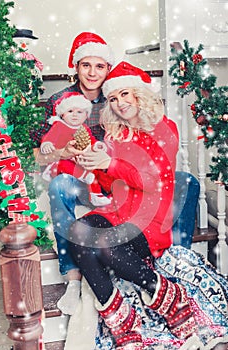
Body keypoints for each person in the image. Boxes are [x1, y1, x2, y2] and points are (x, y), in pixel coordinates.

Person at [64, 61, 228, 349]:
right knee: (78, 232)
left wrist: (111, 163)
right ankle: (119, 317)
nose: (119, 103)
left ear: (140, 93)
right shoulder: (117, 133)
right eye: (113, 98)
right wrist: (93, 165)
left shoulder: (164, 129)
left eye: (125, 94)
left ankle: (162, 293)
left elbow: (156, 180)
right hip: (118, 212)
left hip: (149, 222)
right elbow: (109, 185)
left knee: (103, 243)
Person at [34, 31, 114, 315]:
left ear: (108, 68)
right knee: (58, 187)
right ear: (76, 67)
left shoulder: (116, 98)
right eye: (86, 65)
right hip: (75, 178)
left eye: (100, 66)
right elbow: (35, 152)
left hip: (109, 178)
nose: (92, 73)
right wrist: (61, 154)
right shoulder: (59, 100)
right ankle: (72, 277)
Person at [40, 91, 111, 207]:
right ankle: (87, 183)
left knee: (95, 173)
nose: (75, 115)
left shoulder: (84, 128)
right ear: (62, 114)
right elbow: (48, 138)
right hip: (62, 162)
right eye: (70, 111)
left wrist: (97, 145)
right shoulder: (59, 126)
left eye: (79, 112)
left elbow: (91, 140)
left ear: (85, 115)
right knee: (77, 170)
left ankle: (96, 195)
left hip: (80, 160)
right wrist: (46, 144)